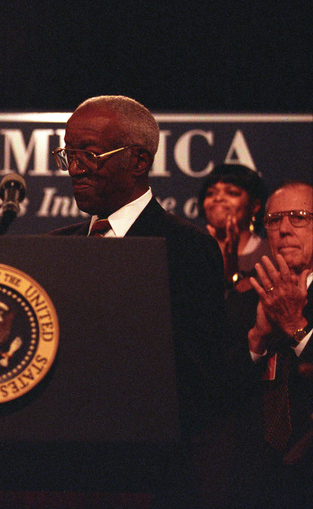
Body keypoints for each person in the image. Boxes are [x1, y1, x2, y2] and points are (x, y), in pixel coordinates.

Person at [49, 95, 229, 505]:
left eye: (90, 155)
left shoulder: (185, 248)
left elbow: (201, 383)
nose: (75, 168)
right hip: (59, 471)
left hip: (146, 476)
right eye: (69, 154)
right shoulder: (55, 248)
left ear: (138, 161)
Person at [232, 180, 313, 507]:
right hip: (249, 477)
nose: (284, 229)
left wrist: (295, 324)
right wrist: (257, 340)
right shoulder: (243, 300)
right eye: (274, 220)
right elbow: (218, 392)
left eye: (299, 217)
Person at [198, 163, 270, 291]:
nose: (218, 198)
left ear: (255, 206)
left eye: (232, 193)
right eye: (210, 193)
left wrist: (232, 274)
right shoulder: (192, 253)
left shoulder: (269, 254)